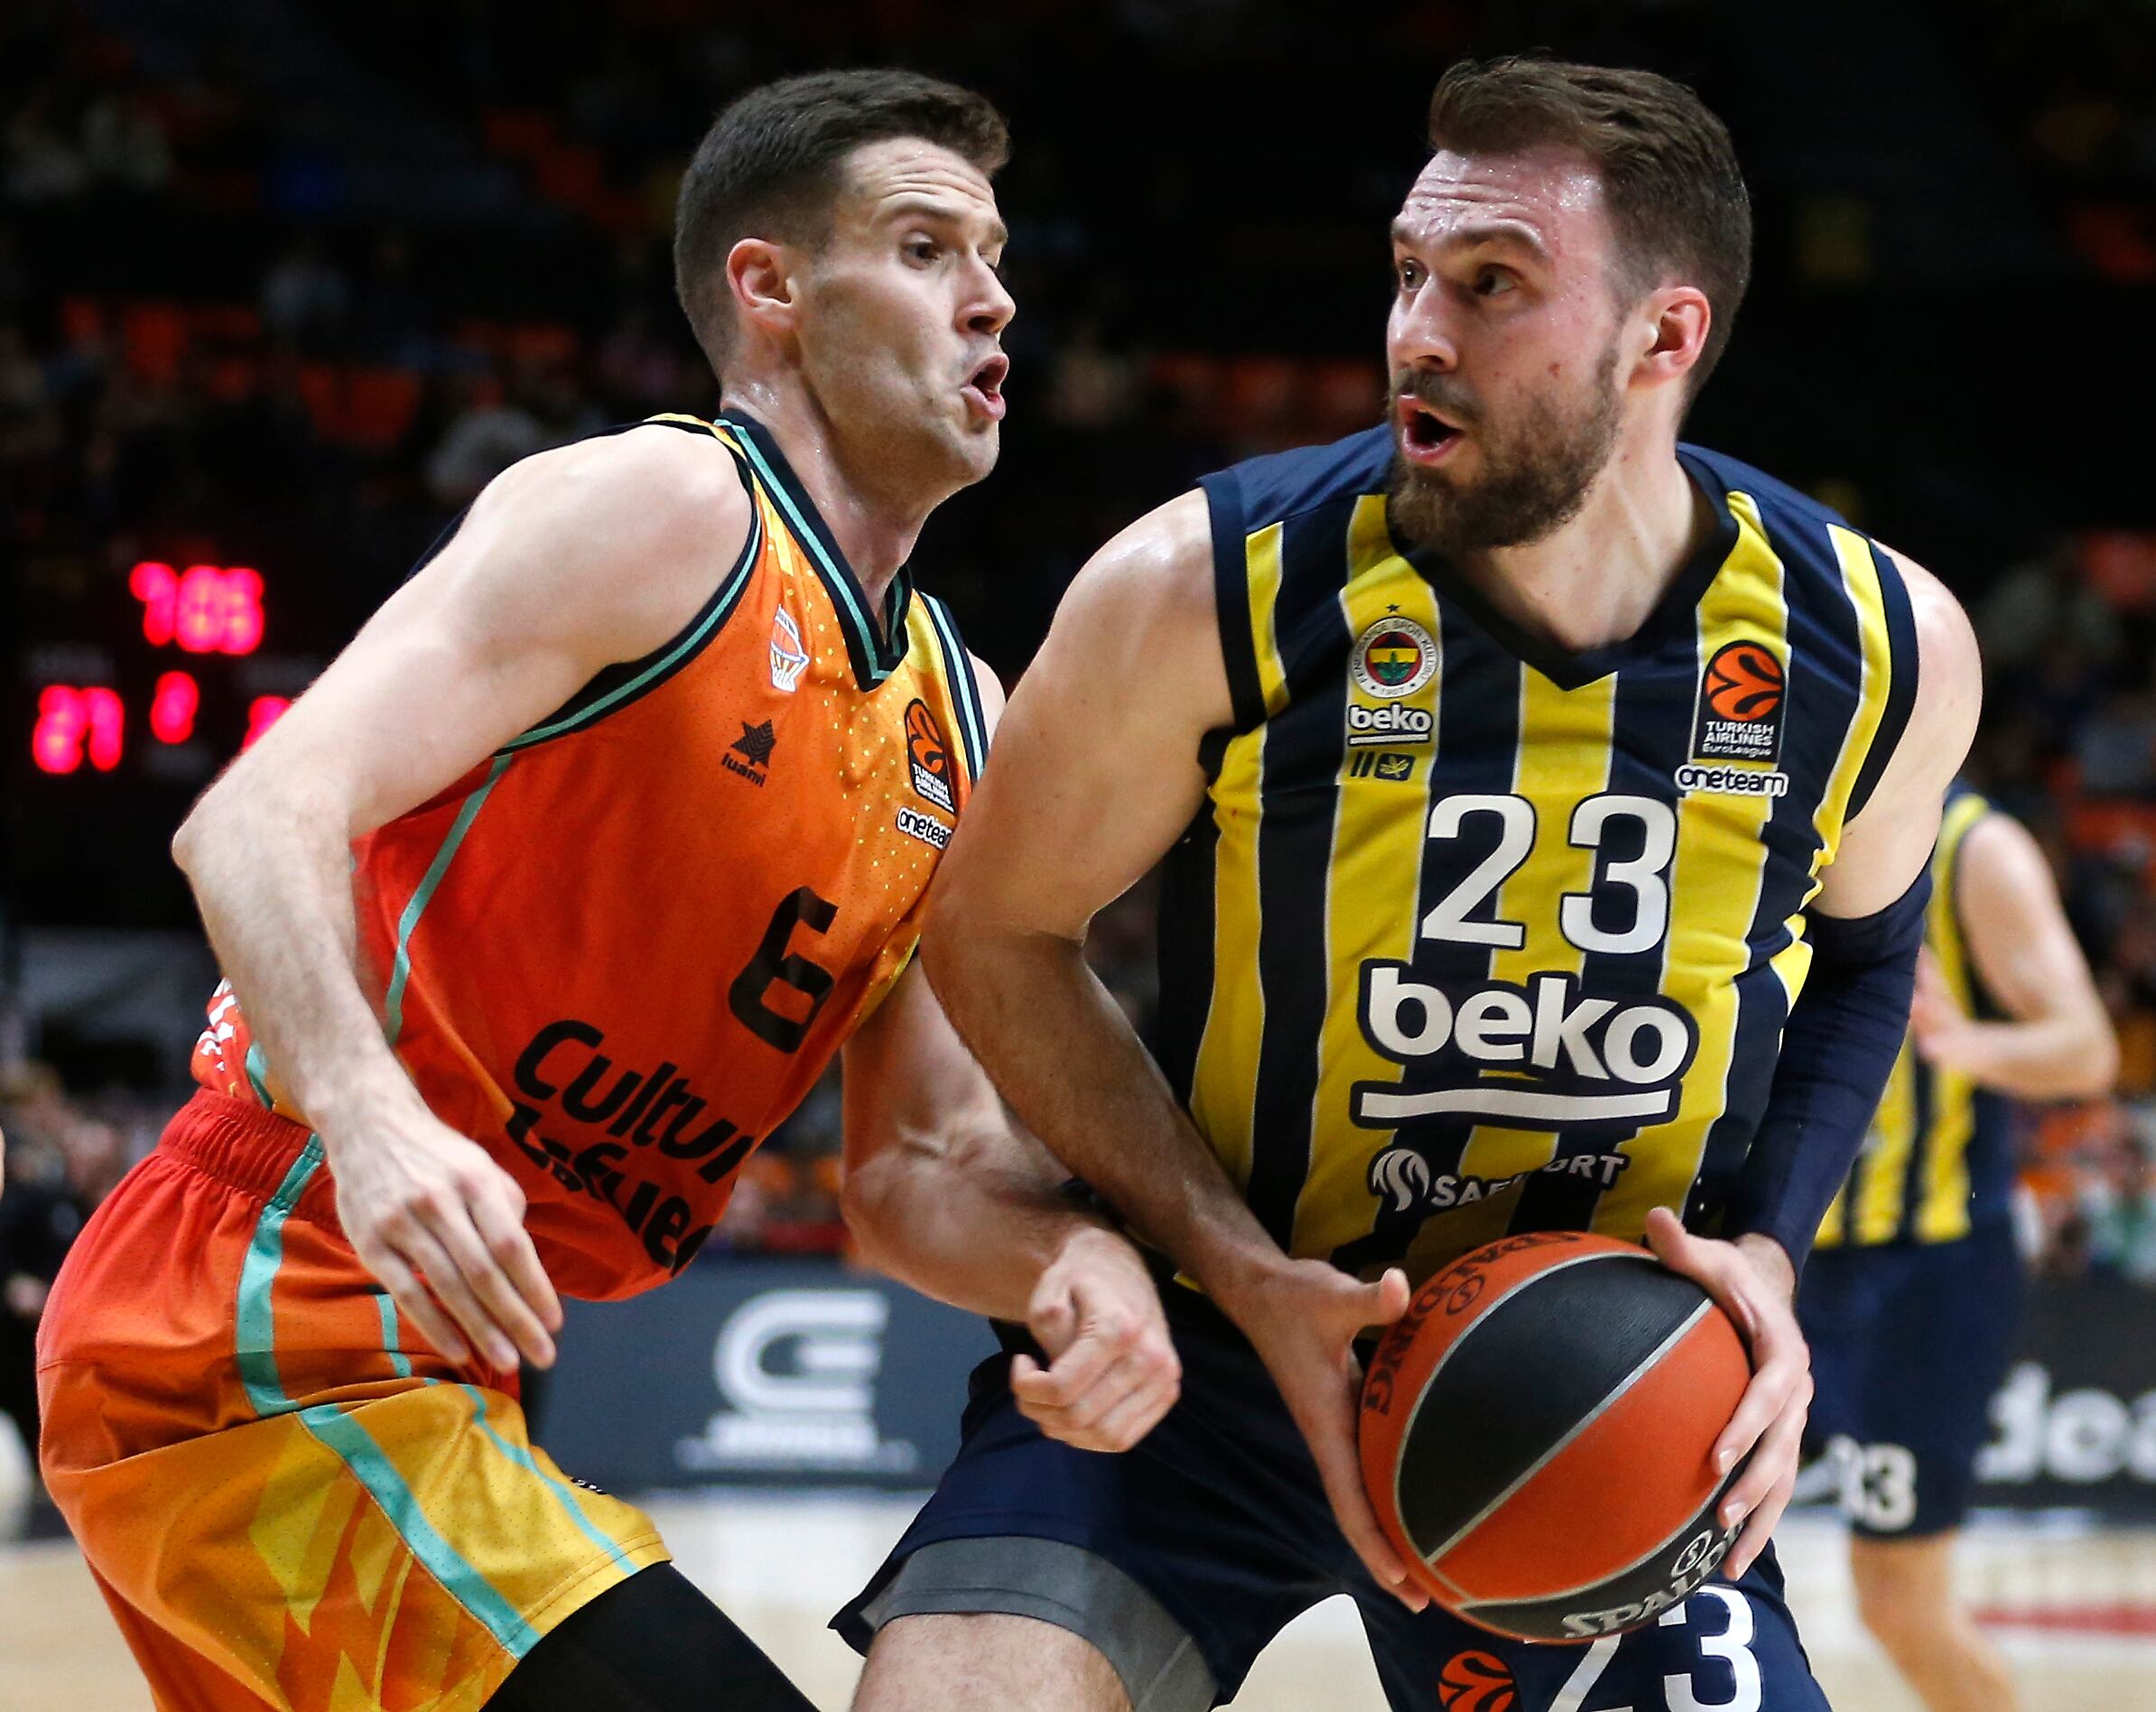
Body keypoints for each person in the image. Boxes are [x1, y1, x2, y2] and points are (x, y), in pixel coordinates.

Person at [836, 56, 1984, 1712]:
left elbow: (1869, 961)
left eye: (1490, 284)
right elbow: (998, 930)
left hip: (1592, 1374)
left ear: (1661, 339)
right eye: (1407, 275)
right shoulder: (1203, 583)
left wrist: (1769, 1260)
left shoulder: (1872, 640)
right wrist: (1234, 1267)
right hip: (1207, 1350)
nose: (1415, 333)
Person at [36, 70, 1175, 1712]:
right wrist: (369, 1113)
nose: (992, 298)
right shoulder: (666, 510)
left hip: (463, 1364)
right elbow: (257, 814)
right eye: (925, 248)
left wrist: (1073, 1266)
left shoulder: (960, 711)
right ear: (767, 289)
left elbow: (910, 1168)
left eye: (995, 257)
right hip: (254, 1314)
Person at [1805, 785, 2117, 1712]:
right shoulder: (1756, 807)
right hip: (1770, 1253)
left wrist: (1958, 1041)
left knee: (1899, 1604)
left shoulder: (1975, 847)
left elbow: (2086, 1050)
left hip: (1920, 1275)